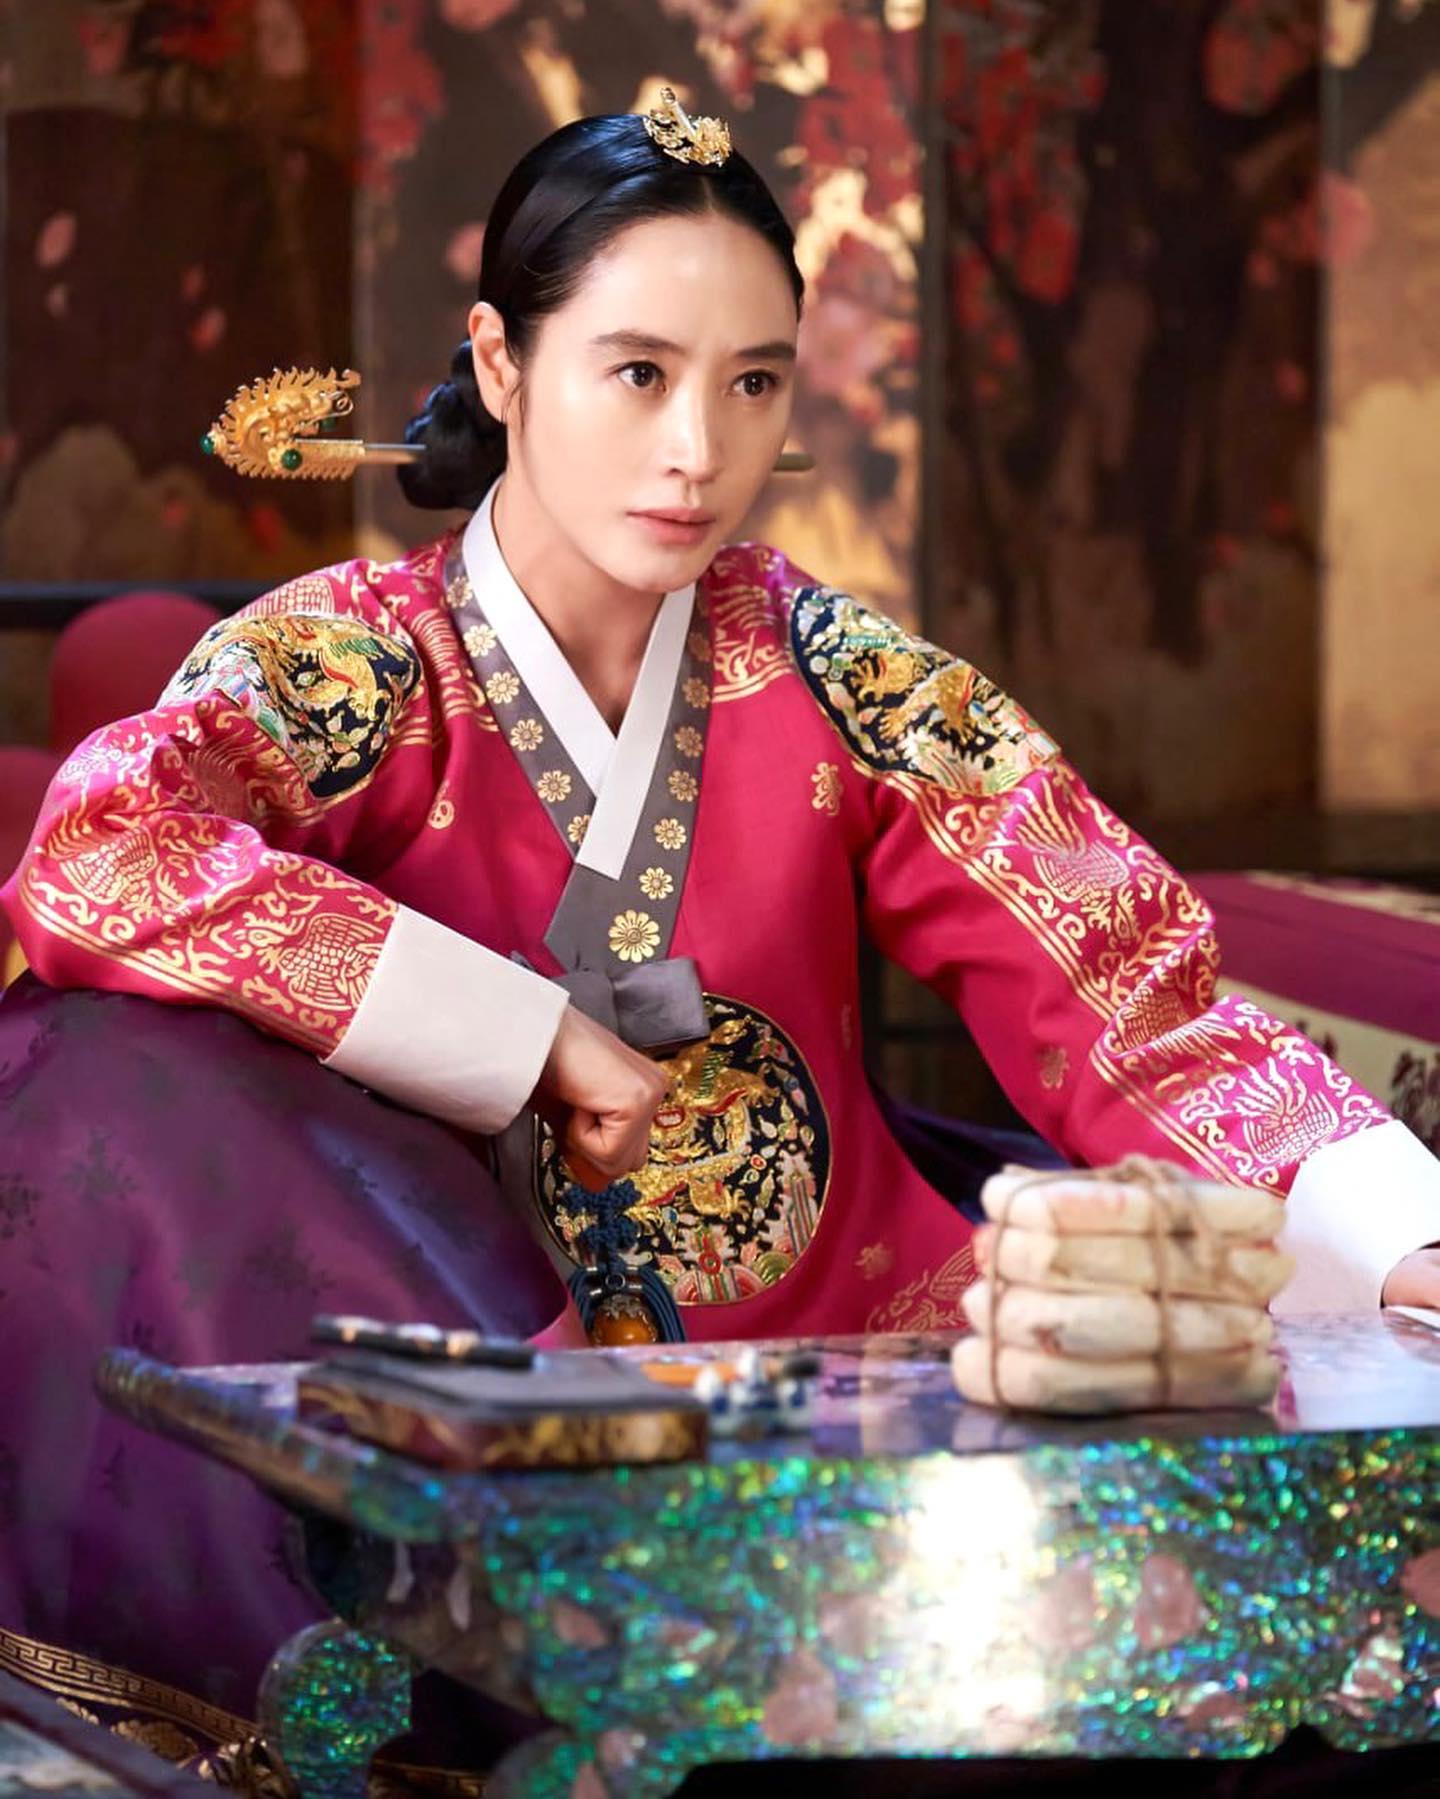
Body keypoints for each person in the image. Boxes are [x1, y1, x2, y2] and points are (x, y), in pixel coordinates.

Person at [0, 92, 1436, 1734]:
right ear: (499, 362)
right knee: (98, 1060)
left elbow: (1124, 987)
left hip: (839, 1373)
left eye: (754, 381)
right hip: (463, 1383)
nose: (698, 450)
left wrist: (1406, 1241)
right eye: (638, 373)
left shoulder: (838, 675)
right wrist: (521, 1032)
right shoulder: (355, 667)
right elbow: (100, 848)